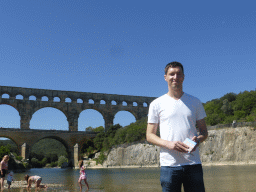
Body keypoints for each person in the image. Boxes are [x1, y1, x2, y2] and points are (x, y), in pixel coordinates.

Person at [146, 61, 208, 192]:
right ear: (165, 77)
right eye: (172, 74)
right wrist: (169, 144)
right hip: (169, 165)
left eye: (178, 74)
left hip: (193, 164)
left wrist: (199, 139)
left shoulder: (195, 102)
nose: (175, 77)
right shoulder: (156, 104)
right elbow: (149, 135)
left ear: (183, 77)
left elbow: (204, 132)